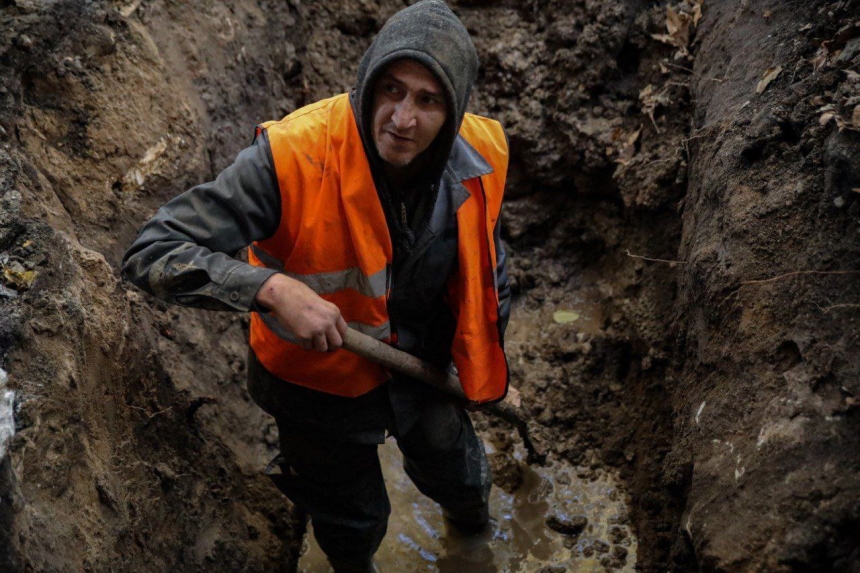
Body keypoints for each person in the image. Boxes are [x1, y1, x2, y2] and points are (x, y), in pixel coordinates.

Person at [122, 1, 511, 570]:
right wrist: (270, 290)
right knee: (353, 522)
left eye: (427, 101)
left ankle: (473, 546)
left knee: (462, 478)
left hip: (424, 369)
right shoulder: (293, 157)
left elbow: (489, 264)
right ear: (368, 84)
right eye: (392, 91)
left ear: (453, 110)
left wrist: (490, 358)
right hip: (317, 386)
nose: (403, 119)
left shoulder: (481, 157)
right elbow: (151, 250)